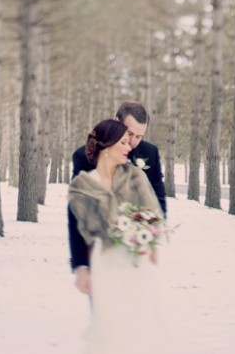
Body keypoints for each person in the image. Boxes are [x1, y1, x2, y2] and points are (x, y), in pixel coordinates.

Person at [68, 119, 165, 354]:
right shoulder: (83, 184)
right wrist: (81, 266)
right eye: (123, 142)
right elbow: (77, 228)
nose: (130, 147)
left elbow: (154, 212)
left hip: (133, 259)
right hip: (103, 261)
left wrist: (148, 238)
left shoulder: (134, 175)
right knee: (107, 323)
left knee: (136, 322)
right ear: (107, 145)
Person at [68, 100, 166, 295]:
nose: (133, 142)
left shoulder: (149, 153)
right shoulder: (84, 157)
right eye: (129, 134)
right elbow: (77, 215)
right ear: (116, 122)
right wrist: (81, 265)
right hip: (100, 253)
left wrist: (153, 236)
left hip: (137, 252)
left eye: (139, 136)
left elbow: (158, 200)